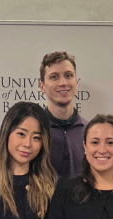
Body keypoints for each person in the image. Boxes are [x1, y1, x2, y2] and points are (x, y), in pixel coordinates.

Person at [39, 51, 88, 179]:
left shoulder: (90, 131)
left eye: (68, 75)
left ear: (76, 83)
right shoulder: (35, 131)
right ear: (42, 87)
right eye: (54, 77)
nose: (63, 83)